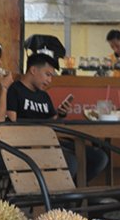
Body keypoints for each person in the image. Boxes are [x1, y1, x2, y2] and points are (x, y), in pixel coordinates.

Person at [6, 53, 108, 182]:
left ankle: (72, 193)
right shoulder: (14, 90)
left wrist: (60, 114)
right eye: (47, 74)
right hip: (28, 144)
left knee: (100, 157)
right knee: (70, 162)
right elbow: (10, 123)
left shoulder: (44, 96)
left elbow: (53, 123)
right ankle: (60, 198)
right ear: (33, 70)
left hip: (51, 142)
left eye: (51, 76)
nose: (49, 80)